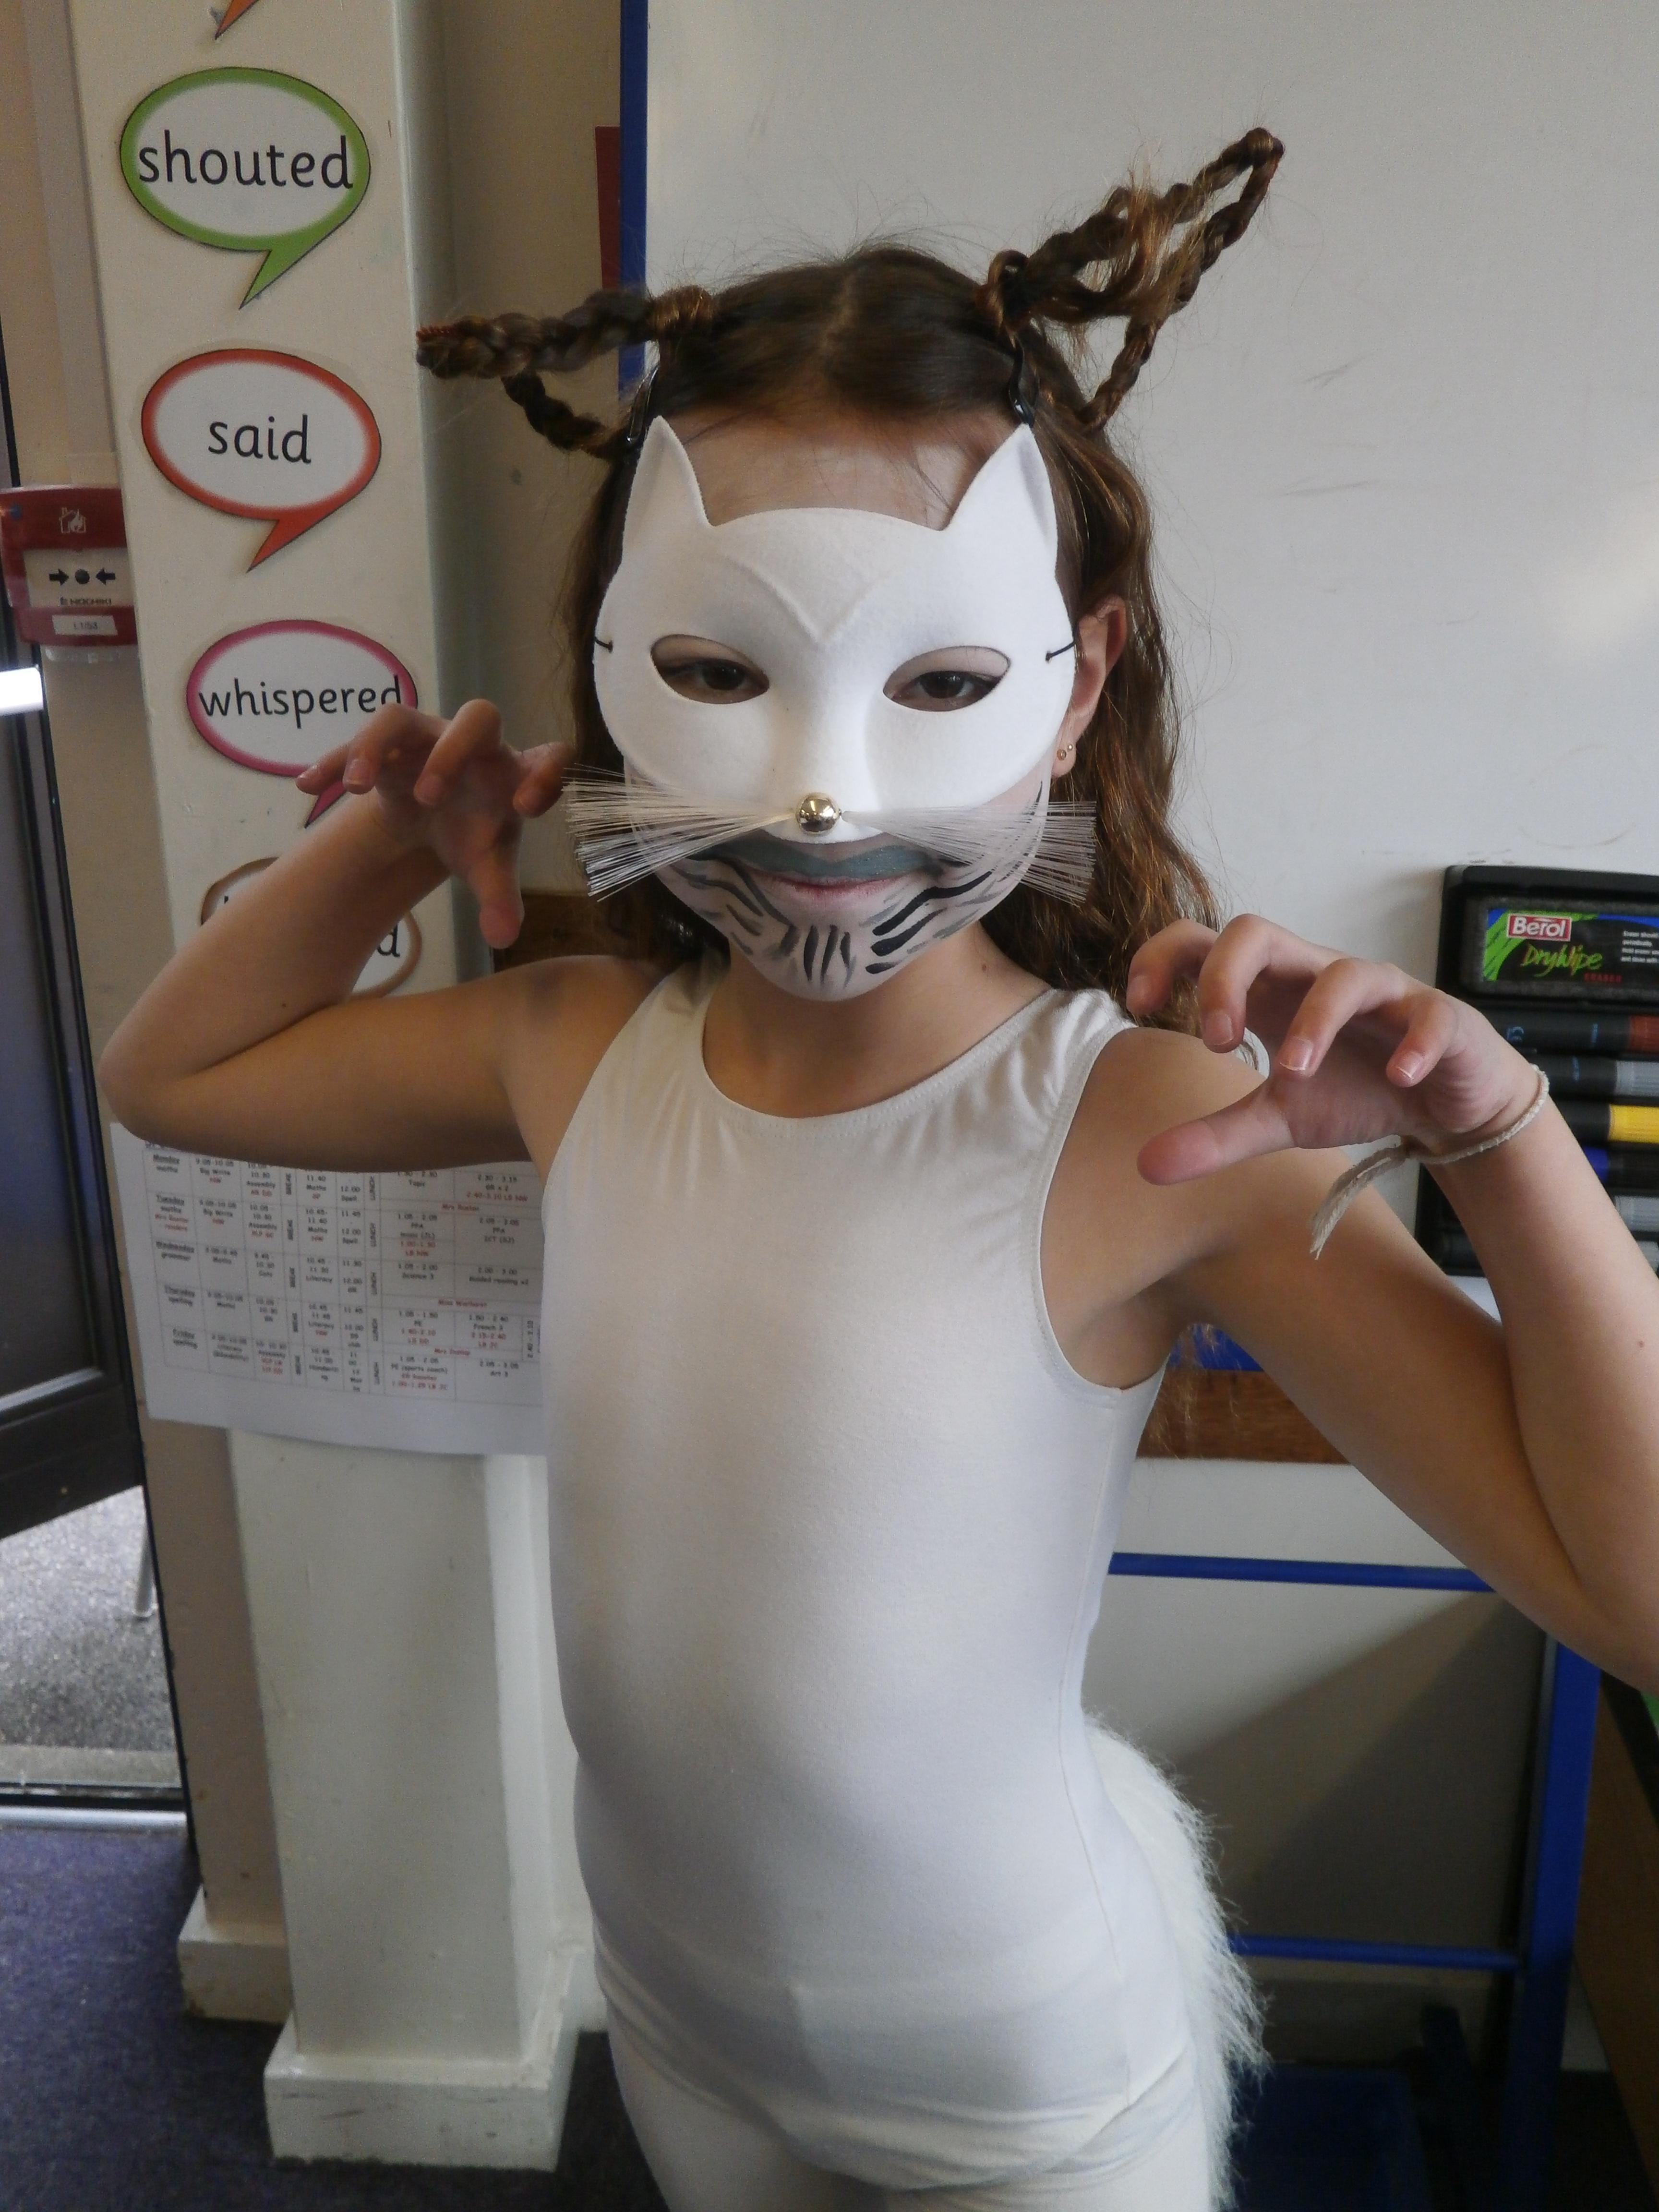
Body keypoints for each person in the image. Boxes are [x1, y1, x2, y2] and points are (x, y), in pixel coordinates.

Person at [100, 131, 1659, 2212]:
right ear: (616, 668)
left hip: (1024, 2095)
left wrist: (1505, 1133)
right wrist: (393, 839)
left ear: (1076, 683)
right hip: (684, 2027)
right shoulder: (574, 1051)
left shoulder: (1147, 1126)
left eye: (939, 682)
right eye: (719, 673)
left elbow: (1633, 1597)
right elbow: (176, 1075)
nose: (825, 797)